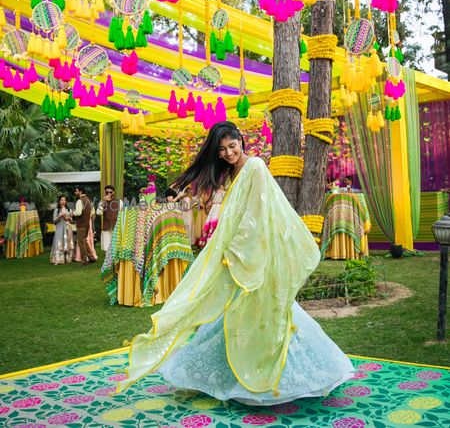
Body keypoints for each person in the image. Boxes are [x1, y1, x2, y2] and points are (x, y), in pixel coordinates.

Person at [118, 121, 354, 404]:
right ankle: (229, 375)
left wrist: (238, 249)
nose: (229, 152)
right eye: (223, 149)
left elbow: (258, 210)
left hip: (254, 252)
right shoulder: (232, 173)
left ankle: (285, 377)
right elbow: (236, 212)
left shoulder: (254, 166)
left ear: (242, 142)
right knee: (231, 310)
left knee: (267, 311)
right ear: (217, 153)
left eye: (233, 146)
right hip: (237, 250)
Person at [73, 186, 97, 265]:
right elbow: (93, 212)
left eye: (76, 191)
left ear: (80, 191)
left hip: (81, 225)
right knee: (84, 241)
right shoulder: (88, 200)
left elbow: (78, 213)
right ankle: (92, 258)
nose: (75, 193)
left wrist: (73, 213)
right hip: (87, 224)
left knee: (81, 242)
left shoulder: (79, 201)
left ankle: (84, 261)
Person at [96, 185, 123, 251]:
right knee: (107, 246)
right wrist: (104, 202)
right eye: (107, 192)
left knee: (116, 246)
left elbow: (122, 214)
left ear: (113, 192)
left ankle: (115, 261)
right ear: (105, 192)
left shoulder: (119, 201)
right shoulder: (102, 202)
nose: (109, 194)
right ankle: (107, 260)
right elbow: (98, 213)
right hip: (106, 227)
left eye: (110, 192)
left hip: (116, 226)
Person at [49, 195, 74, 265]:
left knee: (68, 243)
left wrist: (70, 217)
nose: (63, 201)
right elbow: (54, 221)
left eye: (64, 200)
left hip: (67, 228)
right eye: (62, 200)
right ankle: (58, 259)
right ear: (59, 201)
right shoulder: (56, 210)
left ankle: (68, 258)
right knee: (59, 242)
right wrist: (60, 216)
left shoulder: (68, 210)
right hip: (60, 228)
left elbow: (71, 221)